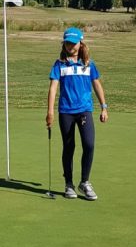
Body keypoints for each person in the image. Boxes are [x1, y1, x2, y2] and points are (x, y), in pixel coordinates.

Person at [46, 27, 108, 199]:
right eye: (67, 43)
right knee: (69, 147)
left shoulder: (89, 64)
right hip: (66, 111)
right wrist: (50, 111)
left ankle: (85, 182)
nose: (70, 46)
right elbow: (53, 89)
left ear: (81, 43)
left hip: (84, 110)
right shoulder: (59, 64)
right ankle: (69, 184)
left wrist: (104, 106)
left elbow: (96, 85)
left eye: (74, 43)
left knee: (89, 144)